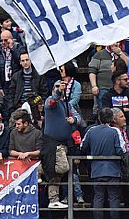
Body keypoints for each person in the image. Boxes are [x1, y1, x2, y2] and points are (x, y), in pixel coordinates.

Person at [42, 80, 82, 209]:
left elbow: (79, 118)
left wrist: (74, 119)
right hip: (53, 143)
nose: (59, 89)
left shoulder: (68, 105)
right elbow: (53, 100)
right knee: (60, 168)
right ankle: (40, 170)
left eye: (61, 87)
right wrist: (59, 91)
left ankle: (54, 198)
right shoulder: (50, 102)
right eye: (56, 87)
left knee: (59, 171)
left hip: (65, 144)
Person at [81, 108, 123, 219]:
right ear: (112, 119)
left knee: (98, 197)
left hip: (96, 170)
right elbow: (121, 150)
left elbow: (82, 146)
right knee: (113, 197)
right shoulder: (115, 131)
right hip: (113, 170)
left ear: (99, 118)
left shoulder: (91, 131)